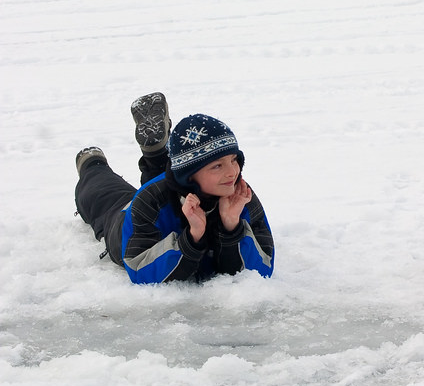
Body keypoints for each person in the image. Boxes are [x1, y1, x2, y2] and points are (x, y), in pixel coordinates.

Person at [74, 92, 274, 284]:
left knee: (166, 183)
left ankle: (156, 155)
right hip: (134, 220)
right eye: (217, 166)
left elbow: (261, 270)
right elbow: (140, 270)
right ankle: (93, 163)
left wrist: (232, 227)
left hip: (175, 186)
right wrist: (192, 237)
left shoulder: (239, 195)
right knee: (103, 197)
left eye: (234, 160)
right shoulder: (149, 201)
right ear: (190, 174)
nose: (232, 172)